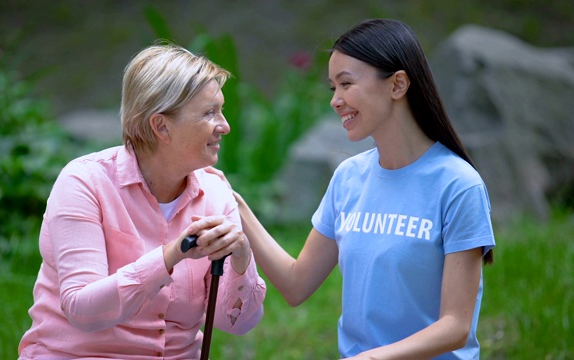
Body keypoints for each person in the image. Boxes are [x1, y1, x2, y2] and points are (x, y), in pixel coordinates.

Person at [204, 19, 496, 359]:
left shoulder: (458, 185)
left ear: (398, 84)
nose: (336, 101)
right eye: (333, 88)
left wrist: (373, 357)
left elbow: (456, 326)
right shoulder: (349, 178)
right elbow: (297, 284)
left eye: (346, 84)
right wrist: (235, 204)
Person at [18, 43, 266, 359]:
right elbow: (83, 309)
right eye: (209, 113)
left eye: (221, 110)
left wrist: (241, 258)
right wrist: (171, 255)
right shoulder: (84, 183)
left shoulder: (215, 192)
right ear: (161, 126)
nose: (225, 126)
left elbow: (238, 324)